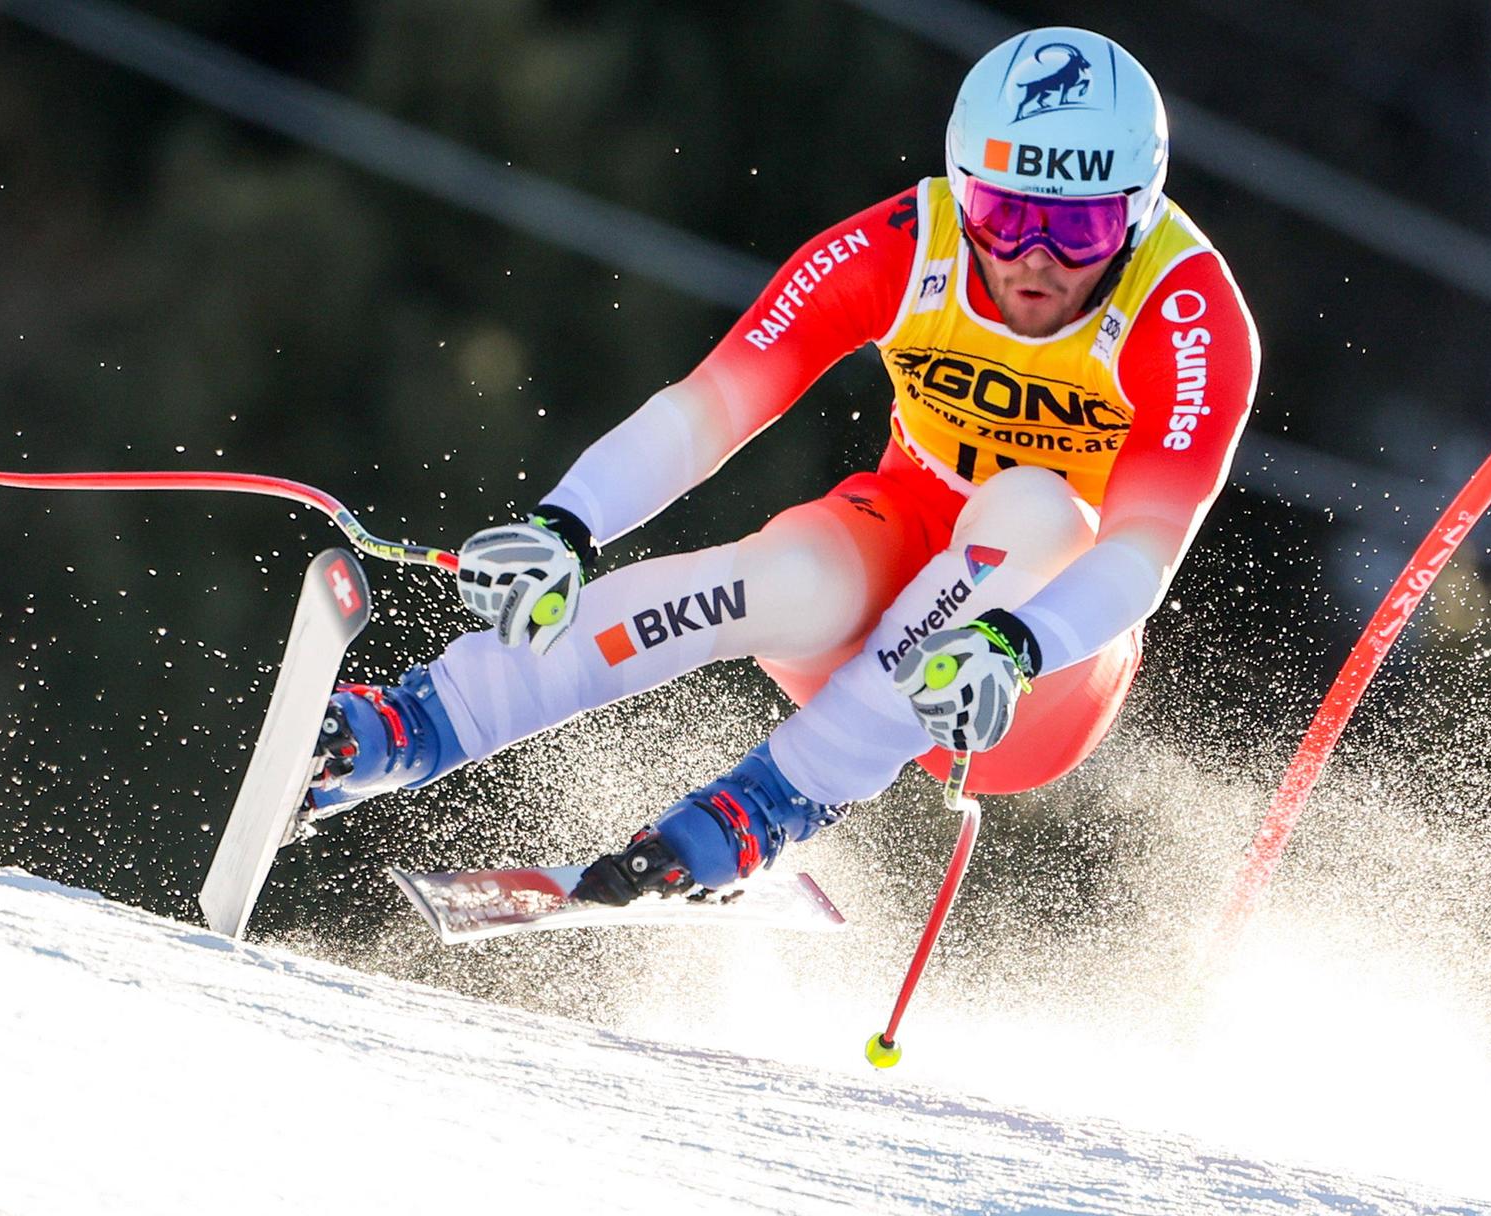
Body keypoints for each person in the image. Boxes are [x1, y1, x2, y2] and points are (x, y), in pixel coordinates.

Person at [310, 27, 1259, 906]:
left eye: (1079, 232)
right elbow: (717, 401)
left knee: (1036, 510)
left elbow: (1142, 550)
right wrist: (569, 521)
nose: (1035, 263)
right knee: (789, 572)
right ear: (962, 190)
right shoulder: (905, 246)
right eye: (1006, 217)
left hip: (1036, 676)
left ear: (1136, 217)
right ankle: (420, 722)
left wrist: (1021, 643)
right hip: (884, 581)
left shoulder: (1187, 316)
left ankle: (765, 806)